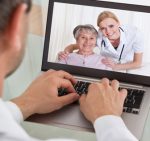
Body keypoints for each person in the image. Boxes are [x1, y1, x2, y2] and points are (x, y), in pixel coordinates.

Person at [0, 0, 138, 141]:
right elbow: (57, 74)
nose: (87, 42)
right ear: (76, 40)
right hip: (70, 93)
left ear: (96, 41)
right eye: (83, 38)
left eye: (92, 38)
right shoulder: (66, 57)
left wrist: (21, 105)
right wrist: (109, 119)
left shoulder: (104, 59)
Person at [58, 11, 143, 71]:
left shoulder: (134, 33)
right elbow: (76, 46)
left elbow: (138, 63)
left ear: (118, 23)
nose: (108, 31)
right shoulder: (97, 36)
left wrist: (115, 66)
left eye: (111, 26)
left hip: (128, 65)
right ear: (100, 29)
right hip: (105, 64)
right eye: (103, 28)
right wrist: (65, 54)